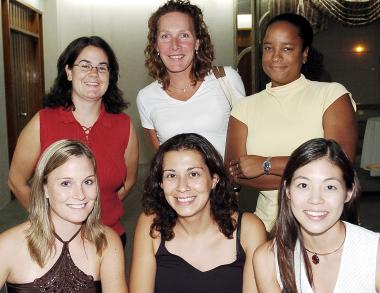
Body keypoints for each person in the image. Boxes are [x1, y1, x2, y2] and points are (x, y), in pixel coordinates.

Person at [225, 13, 357, 230]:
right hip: (266, 228)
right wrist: (311, 177)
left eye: (287, 48)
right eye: (268, 48)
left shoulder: (331, 95)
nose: (275, 57)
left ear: (304, 54)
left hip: (323, 222)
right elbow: (234, 173)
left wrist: (265, 164)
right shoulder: (244, 107)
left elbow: (339, 162)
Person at [8, 36, 138, 245]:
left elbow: (129, 180)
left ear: (110, 75)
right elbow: (16, 181)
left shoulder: (124, 124)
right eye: (85, 66)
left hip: (107, 237)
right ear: (69, 72)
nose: (94, 74)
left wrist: (93, 207)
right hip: (54, 240)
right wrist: (46, 220)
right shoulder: (43, 121)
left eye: (102, 67)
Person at [129, 133, 266, 293]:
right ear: (161, 183)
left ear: (214, 179)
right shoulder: (151, 224)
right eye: (171, 175)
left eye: (193, 174)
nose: (182, 187)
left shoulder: (249, 229)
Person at [0, 140, 128, 293]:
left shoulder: (107, 242)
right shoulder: (8, 245)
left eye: (88, 182)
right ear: (45, 188)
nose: (80, 194)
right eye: (66, 183)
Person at [253, 138, 380, 293]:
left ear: (349, 192)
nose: (315, 199)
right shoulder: (269, 258)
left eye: (330, 187)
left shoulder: (374, 253)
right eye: (303, 185)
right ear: (288, 190)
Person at [137, 0, 245, 157]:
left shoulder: (226, 79)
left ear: (197, 43)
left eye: (184, 35)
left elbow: (247, 144)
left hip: (225, 181)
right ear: (156, 46)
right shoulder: (146, 97)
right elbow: (160, 161)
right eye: (165, 36)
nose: (175, 45)